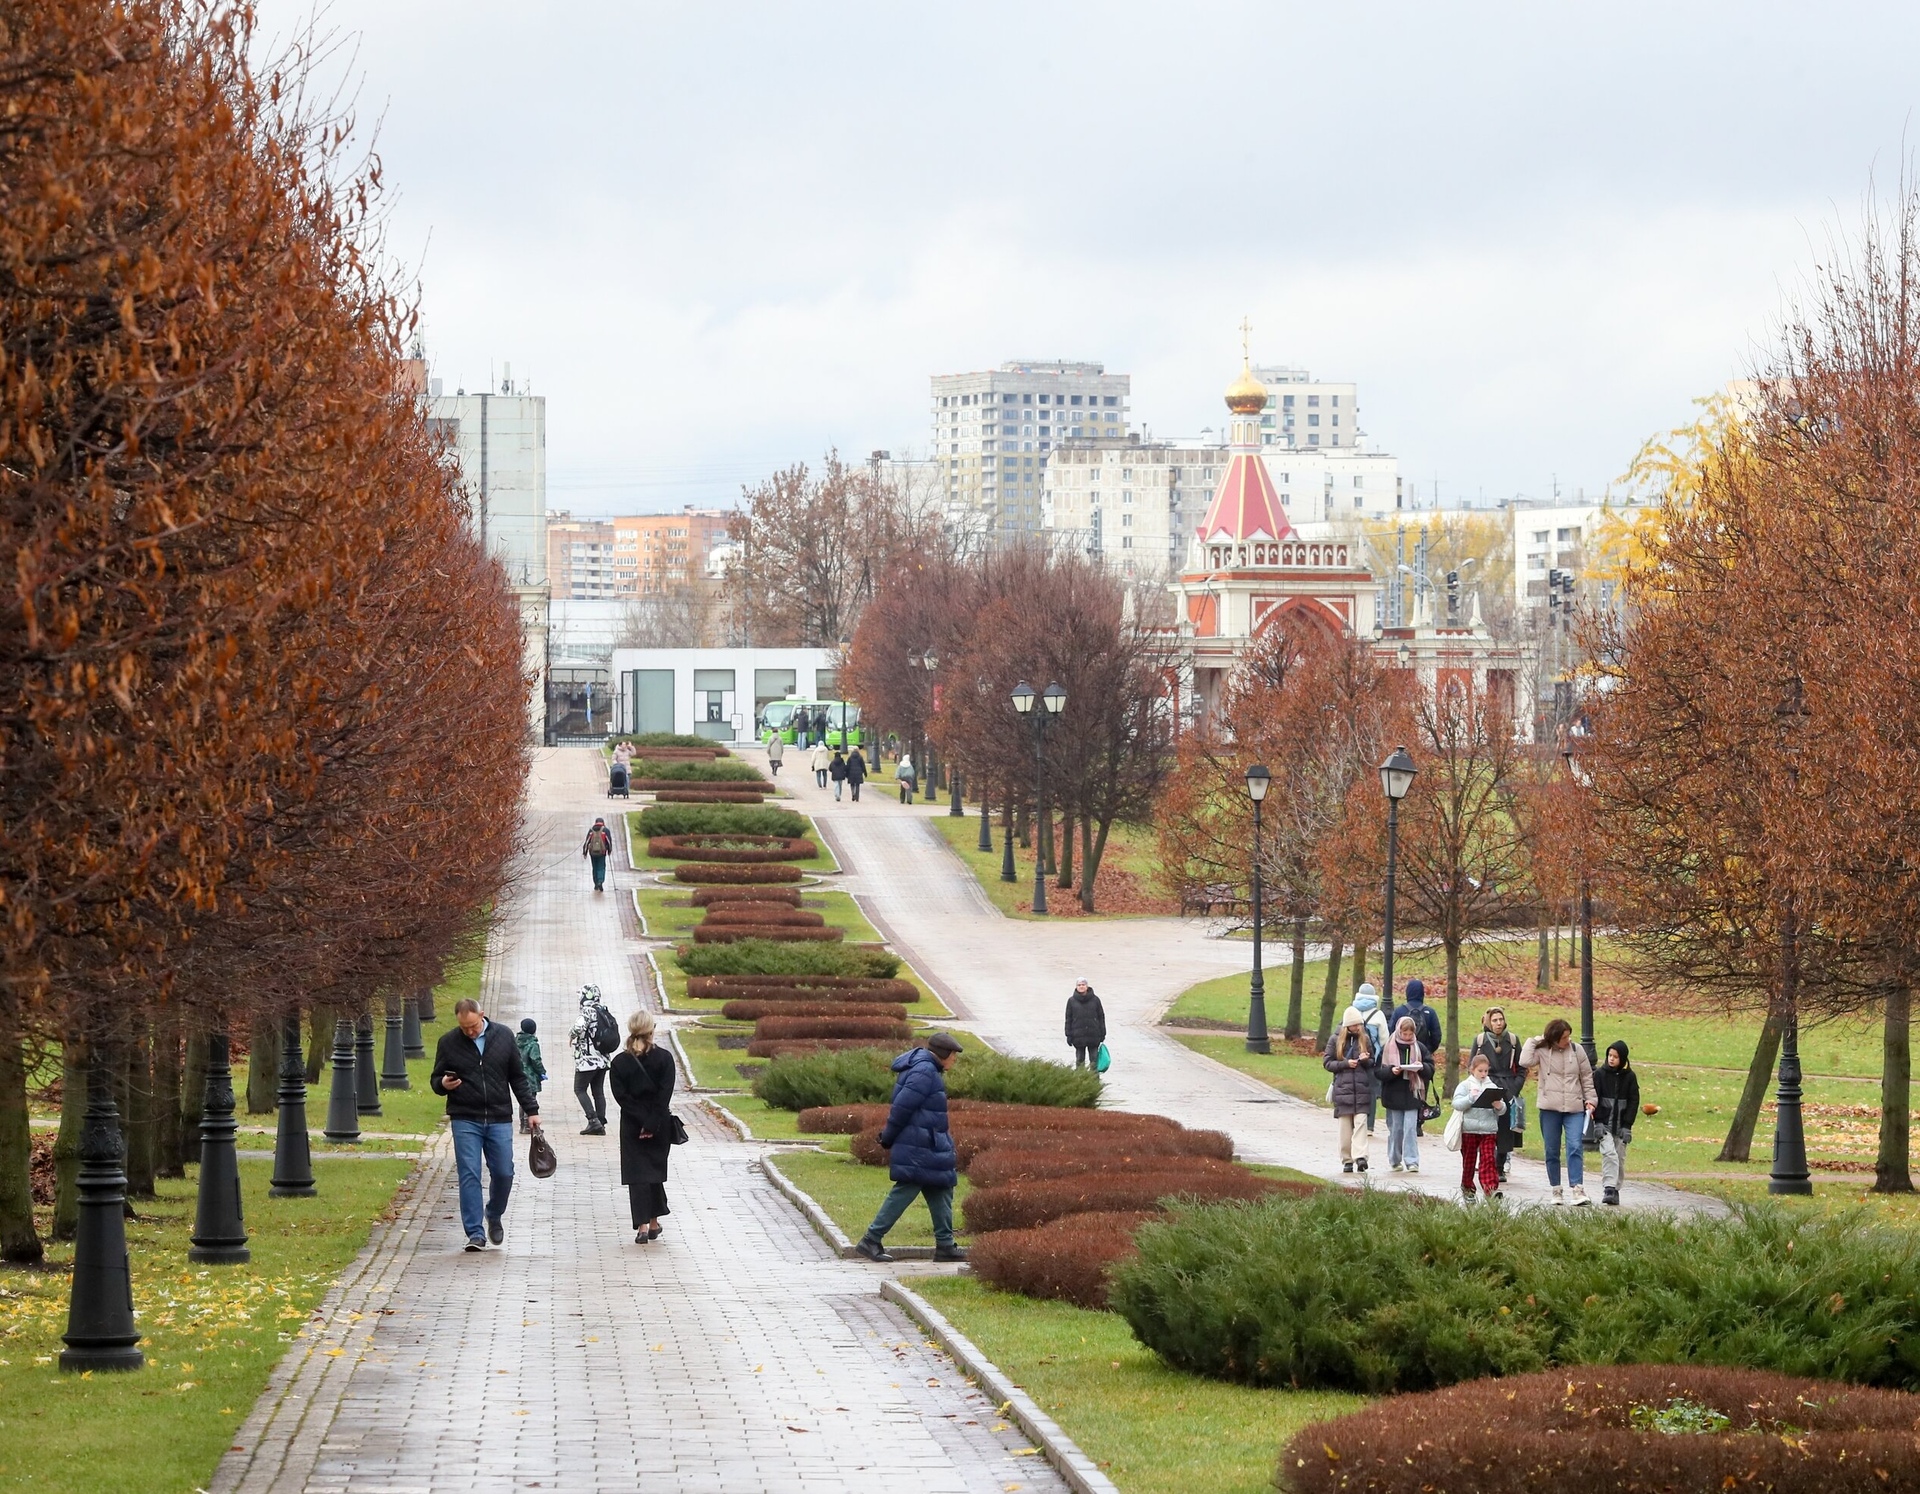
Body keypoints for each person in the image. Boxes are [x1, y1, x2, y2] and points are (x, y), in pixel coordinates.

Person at [429, 998, 541, 1252]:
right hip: (465, 1116)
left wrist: (531, 1110)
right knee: (469, 1173)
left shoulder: (503, 1035)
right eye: (464, 1027)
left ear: (483, 1015)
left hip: (499, 1116)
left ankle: (494, 1213)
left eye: (473, 1026)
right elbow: (436, 1079)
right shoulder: (448, 1042)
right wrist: (443, 1085)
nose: (469, 1032)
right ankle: (475, 1233)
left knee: (504, 1172)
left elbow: (517, 1076)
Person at [855, 1033, 969, 1264]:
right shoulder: (924, 1072)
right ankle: (871, 1239)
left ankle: (945, 1246)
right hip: (919, 1146)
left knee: (941, 1187)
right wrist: (888, 1137)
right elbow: (902, 1108)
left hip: (929, 1143)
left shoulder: (926, 1069)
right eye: (954, 1056)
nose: (954, 1061)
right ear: (944, 1054)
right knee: (905, 1190)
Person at [608, 1010, 677, 1243]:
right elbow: (664, 1095)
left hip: (631, 1125)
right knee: (654, 1173)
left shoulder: (619, 1062)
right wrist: (651, 1123)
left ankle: (644, 1227)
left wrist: (640, 1122)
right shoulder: (665, 1059)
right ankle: (654, 1221)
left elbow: (622, 1097)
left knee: (638, 1176)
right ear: (651, 1029)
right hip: (658, 1124)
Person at [1521, 1018, 1598, 1205]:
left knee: (1574, 1146)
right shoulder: (1543, 1051)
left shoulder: (1577, 1050)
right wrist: (1535, 1040)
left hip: (1574, 1107)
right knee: (1551, 1149)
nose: (1568, 1040)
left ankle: (1577, 1188)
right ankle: (1556, 1189)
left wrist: (1591, 1099)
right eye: (1564, 1037)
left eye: (1569, 1036)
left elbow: (1587, 1075)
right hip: (1550, 1108)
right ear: (1555, 1038)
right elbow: (1524, 1061)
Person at [1469, 1007, 1525, 1179]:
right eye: (1494, 1020)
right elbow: (1471, 1067)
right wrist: (1479, 1085)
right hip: (1487, 1085)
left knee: (1505, 1129)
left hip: (1508, 1087)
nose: (1498, 1023)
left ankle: (1500, 1166)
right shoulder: (1480, 1041)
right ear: (1488, 1022)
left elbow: (1521, 1068)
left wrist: (1514, 1087)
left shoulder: (1513, 1040)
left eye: (1500, 1019)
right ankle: (1487, 1163)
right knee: (1487, 1127)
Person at [1374, 1014, 1433, 1173]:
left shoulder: (1419, 1047)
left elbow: (1430, 1068)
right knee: (1396, 1129)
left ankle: (1412, 1161)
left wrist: (1421, 1067)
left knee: (1410, 1128)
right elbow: (1378, 1071)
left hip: (1412, 1093)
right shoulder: (1388, 1046)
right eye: (1404, 1033)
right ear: (1399, 1031)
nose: (1407, 1037)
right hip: (1393, 1093)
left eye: (1410, 1034)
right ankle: (1394, 1159)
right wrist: (1392, 1071)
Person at [1323, 1006, 1375, 1174]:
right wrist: (1346, 1064)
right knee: (1345, 1127)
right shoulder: (1335, 1039)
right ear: (1348, 1026)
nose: (1358, 1028)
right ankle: (1347, 1159)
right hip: (1343, 1089)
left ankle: (1360, 1156)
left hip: (1360, 1088)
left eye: (1359, 1024)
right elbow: (1327, 1062)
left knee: (1361, 1122)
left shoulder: (1364, 1039)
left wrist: (1366, 1059)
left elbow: (1373, 1061)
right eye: (1355, 1025)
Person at [1452, 1052, 1507, 1202]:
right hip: (1469, 1129)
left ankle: (1491, 1189)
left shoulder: (1492, 1086)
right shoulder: (1465, 1085)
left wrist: (1499, 1106)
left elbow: (1502, 1109)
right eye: (1480, 1071)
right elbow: (1456, 1104)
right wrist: (1470, 1098)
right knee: (1469, 1161)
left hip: (1488, 1129)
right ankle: (1468, 1187)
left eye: (1486, 1071)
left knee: (1488, 1159)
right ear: (1472, 1070)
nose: (1483, 1074)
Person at [1592, 1040, 1640, 1206]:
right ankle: (1609, 1188)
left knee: (1619, 1156)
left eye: (1615, 1057)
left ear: (1623, 1059)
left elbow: (1634, 1101)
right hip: (1604, 1123)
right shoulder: (1599, 1075)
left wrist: (1628, 1125)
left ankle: (1616, 1189)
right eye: (1609, 1056)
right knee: (1609, 1154)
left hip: (1621, 1125)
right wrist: (1597, 1121)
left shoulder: (1630, 1077)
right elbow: (1594, 1098)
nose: (1611, 1059)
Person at [570, 984, 615, 1135]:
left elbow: (578, 1027)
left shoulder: (587, 1011)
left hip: (587, 1060)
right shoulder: (603, 1010)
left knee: (579, 1089)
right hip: (603, 1059)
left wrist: (571, 1035)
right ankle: (601, 1122)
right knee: (598, 1091)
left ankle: (593, 1120)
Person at [1353, 984, 1391, 1139]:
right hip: (1371, 1058)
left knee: (1354, 1088)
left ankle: (1354, 1121)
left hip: (1353, 1057)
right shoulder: (1378, 1014)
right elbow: (1385, 1040)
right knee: (1370, 1091)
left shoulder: (1352, 1011)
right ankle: (1369, 1125)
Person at [514, 1018, 547, 1134]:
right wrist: (542, 1072)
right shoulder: (533, 1044)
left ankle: (523, 1125)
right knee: (530, 1099)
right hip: (530, 1075)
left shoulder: (516, 1041)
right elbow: (535, 1060)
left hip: (519, 1074)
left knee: (522, 1100)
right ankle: (529, 1125)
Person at [1064, 979, 1106, 1068]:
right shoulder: (1071, 1001)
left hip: (1093, 1036)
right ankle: (1079, 1080)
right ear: (1076, 987)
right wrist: (1068, 1035)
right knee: (1079, 1060)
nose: (1081, 986)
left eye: (1083, 984)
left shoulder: (1095, 1000)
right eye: (1079, 985)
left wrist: (1103, 1033)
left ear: (1087, 986)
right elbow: (1068, 1019)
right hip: (1078, 1036)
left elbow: (1101, 1017)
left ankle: (1094, 1080)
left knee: (1094, 1061)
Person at [582, 816, 614, 893]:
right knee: (601, 867)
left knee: (594, 867)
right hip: (602, 853)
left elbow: (587, 842)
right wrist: (609, 850)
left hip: (592, 853)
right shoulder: (605, 830)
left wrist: (585, 852)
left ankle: (596, 884)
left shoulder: (591, 830)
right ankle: (600, 881)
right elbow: (609, 842)